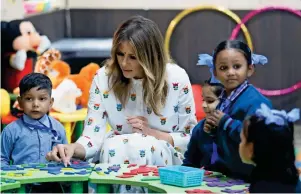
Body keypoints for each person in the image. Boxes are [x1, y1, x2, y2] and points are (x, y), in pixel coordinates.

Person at [46, 15, 197, 192]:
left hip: (165, 159)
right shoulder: (104, 78)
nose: (124, 63)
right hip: (118, 153)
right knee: (113, 146)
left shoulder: (176, 78)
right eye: (120, 54)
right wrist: (72, 148)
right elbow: (92, 137)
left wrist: (152, 133)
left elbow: (190, 138)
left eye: (133, 57)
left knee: (143, 146)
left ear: (150, 56)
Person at [183, 40, 272, 180]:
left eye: (237, 66)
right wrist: (211, 132)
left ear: (250, 69)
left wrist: (226, 123)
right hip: (234, 176)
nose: (230, 72)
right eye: (223, 68)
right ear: (215, 72)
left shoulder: (256, 102)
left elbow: (258, 140)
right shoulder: (224, 100)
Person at [1, 73, 68, 193]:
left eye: (42, 99)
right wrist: (10, 180)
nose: (35, 104)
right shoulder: (11, 130)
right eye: (29, 99)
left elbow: (66, 156)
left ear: (50, 102)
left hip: (53, 184)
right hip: (21, 186)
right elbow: (1, 158)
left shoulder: (58, 128)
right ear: (20, 102)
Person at [239, 103, 301, 193]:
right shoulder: (293, 182)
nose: (240, 145)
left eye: (242, 140)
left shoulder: (261, 188)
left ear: (251, 148)